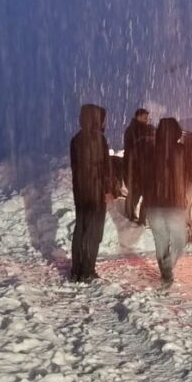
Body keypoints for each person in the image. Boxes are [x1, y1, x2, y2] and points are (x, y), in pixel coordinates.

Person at [69, 104, 111, 282]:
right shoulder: (98, 139)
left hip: (81, 192)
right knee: (93, 232)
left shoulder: (76, 139)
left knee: (81, 229)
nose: (104, 122)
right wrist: (107, 190)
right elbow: (104, 168)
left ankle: (76, 269)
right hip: (95, 192)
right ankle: (87, 270)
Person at [145, 117, 187, 286]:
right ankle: (168, 268)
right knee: (179, 240)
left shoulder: (150, 151)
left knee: (161, 240)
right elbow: (189, 174)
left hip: (155, 204)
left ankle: (166, 270)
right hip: (174, 203)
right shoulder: (181, 150)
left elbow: (144, 177)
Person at [123, 108, 154, 223]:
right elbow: (131, 151)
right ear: (138, 117)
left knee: (146, 193)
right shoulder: (131, 131)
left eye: (147, 116)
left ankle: (142, 219)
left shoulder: (149, 129)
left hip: (146, 167)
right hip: (135, 167)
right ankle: (129, 215)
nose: (147, 118)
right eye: (144, 116)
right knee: (136, 191)